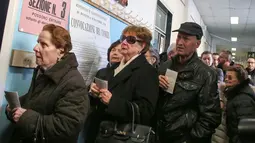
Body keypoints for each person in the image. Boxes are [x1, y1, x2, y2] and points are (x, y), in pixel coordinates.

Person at [5, 24, 89, 143]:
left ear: (61, 51)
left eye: (43, 44)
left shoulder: (74, 82)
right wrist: (15, 106)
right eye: (38, 42)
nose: (35, 48)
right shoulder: (42, 70)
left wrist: (25, 117)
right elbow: (39, 100)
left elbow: (67, 126)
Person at [86, 25, 159, 143]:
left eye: (131, 40)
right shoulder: (112, 68)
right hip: (99, 132)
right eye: (122, 38)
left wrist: (112, 102)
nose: (124, 43)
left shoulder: (147, 72)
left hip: (122, 136)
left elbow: (146, 110)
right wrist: (93, 92)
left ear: (142, 46)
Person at [157, 22, 221, 143]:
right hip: (160, 135)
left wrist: (190, 138)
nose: (180, 42)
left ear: (197, 44)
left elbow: (211, 116)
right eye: (179, 37)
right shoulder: (165, 66)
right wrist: (156, 84)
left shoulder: (206, 74)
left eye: (185, 39)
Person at [84, 40, 123, 143]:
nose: (115, 53)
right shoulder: (101, 72)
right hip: (96, 120)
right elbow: (91, 100)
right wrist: (91, 92)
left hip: (115, 125)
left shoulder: (126, 75)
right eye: (113, 50)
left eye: (119, 51)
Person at [224, 66, 255, 143]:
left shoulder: (244, 99)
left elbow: (247, 130)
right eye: (226, 77)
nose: (226, 79)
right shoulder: (235, 94)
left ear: (239, 81)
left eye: (230, 78)